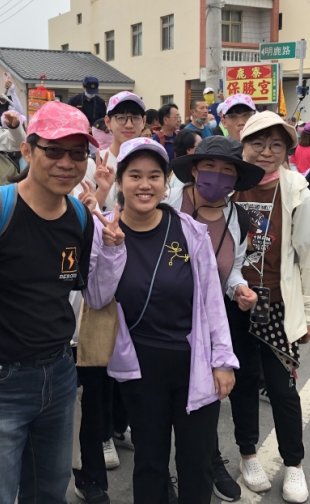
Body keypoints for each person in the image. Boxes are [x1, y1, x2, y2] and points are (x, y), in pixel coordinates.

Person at [0, 100, 97, 504]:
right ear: (28, 151)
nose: (66, 163)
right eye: (54, 150)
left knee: (49, 490)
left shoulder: (79, 218)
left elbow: (64, 289)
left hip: (58, 374)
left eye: (77, 153)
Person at [85, 137, 238, 504]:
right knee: (150, 462)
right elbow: (97, 298)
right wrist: (112, 249)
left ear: (166, 183)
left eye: (154, 176)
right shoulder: (104, 231)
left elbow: (212, 301)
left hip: (194, 361)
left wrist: (222, 360)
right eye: (135, 175)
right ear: (120, 181)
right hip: (140, 368)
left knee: (196, 462)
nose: (145, 185)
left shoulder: (189, 231)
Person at [233, 111, 310, 503]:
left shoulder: (298, 191)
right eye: (257, 143)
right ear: (244, 145)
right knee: (242, 383)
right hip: (232, 301)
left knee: (283, 389)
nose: (266, 152)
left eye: (275, 145)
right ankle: (248, 455)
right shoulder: (230, 184)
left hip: (277, 304)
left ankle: (294, 464)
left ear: (287, 150)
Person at [168, 136, 265, 501]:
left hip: (210, 324)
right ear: (194, 169)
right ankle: (160, 473)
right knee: (160, 406)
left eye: (227, 171)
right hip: (162, 322)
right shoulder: (169, 202)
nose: (217, 176)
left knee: (206, 402)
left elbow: (232, 269)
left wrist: (239, 289)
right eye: (210, 167)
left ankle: (209, 462)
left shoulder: (238, 217)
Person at [94, 91, 148, 212]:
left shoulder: (152, 163)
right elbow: (83, 214)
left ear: (144, 122)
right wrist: (102, 191)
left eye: (135, 118)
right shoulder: (94, 164)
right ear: (108, 122)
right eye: (121, 118)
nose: (129, 125)